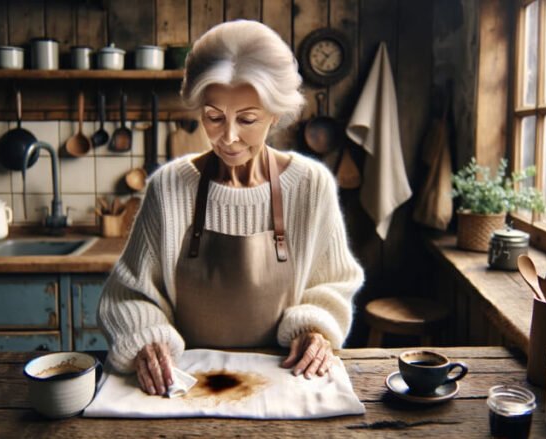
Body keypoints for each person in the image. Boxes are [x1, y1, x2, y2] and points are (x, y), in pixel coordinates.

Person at [98, 20, 365, 396]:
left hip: (285, 381)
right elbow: (129, 292)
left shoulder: (310, 185)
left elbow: (333, 282)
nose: (228, 137)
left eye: (248, 119)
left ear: (275, 113)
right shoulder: (169, 186)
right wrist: (145, 335)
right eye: (214, 117)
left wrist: (316, 327)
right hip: (186, 385)